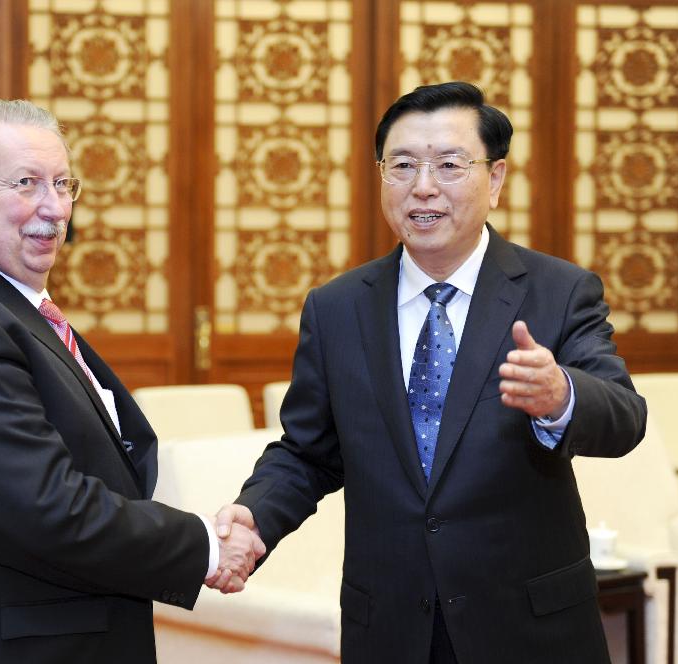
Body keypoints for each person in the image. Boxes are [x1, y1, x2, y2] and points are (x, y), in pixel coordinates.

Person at [210, 82, 647, 663]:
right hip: (391, 627)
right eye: (404, 165)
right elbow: (308, 451)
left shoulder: (558, 291)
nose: (424, 186)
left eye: (449, 164)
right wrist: (255, 517)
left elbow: (624, 416)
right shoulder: (337, 308)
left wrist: (562, 394)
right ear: (381, 177)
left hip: (530, 630)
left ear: (494, 180)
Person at [0, 99, 264, 663]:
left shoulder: (5, 306)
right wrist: (205, 547)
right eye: (25, 183)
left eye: (63, 183)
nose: (54, 207)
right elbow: (46, 509)